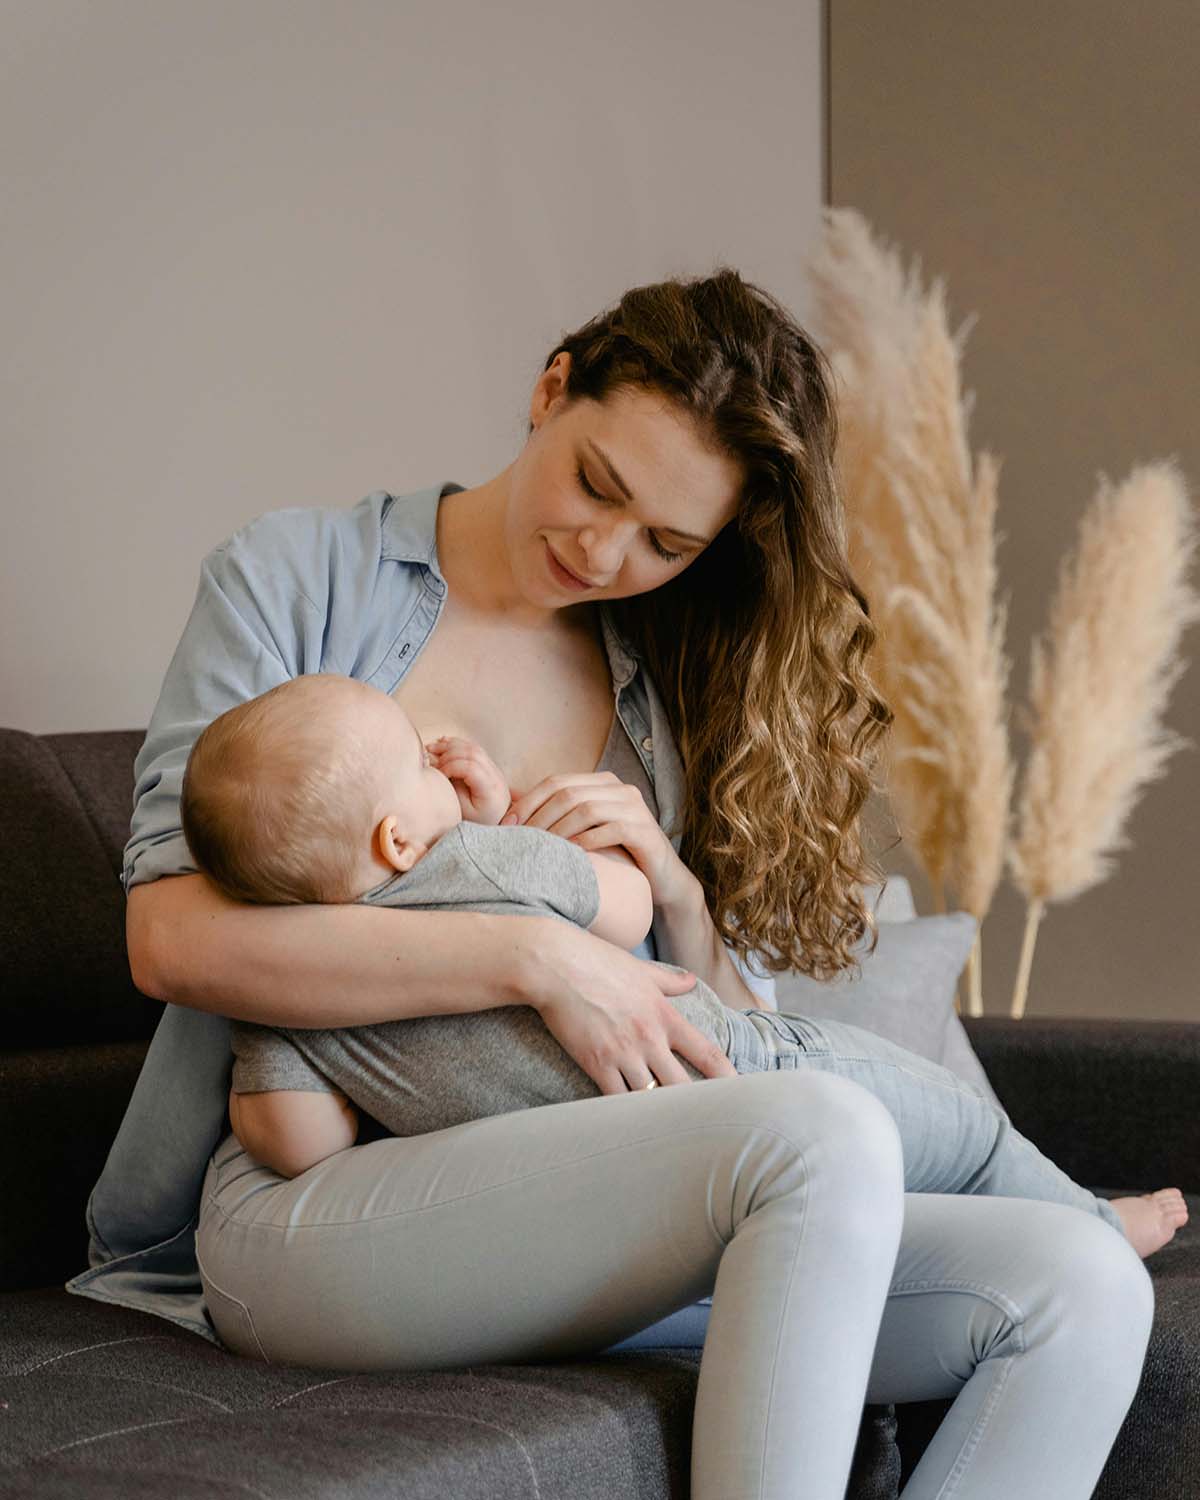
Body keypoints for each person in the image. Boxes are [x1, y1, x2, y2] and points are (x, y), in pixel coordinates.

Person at [68, 268, 1172, 1500]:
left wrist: (682, 907)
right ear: (552, 390)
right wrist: (539, 955)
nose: (603, 553)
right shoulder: (299, 578)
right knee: (823, 1129)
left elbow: (709, 1037)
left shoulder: (658, 688)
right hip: (323, 1203)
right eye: (599, 484)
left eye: (666, 543)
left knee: (1077, 1288)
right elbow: (170, 938)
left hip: (605, 1192)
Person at [180, 674, 1184, 1271]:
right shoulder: (468, 861)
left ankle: (1022, 1237)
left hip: (612, 1180)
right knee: (958, 1130)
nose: (439, 755)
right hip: (740, 1067)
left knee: (873, 1199)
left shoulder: (293, 999)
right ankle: (1091, 1224)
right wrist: (495, 823)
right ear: (402, 837)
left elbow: (294, 1141)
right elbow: (620, 905)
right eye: (416, 755)